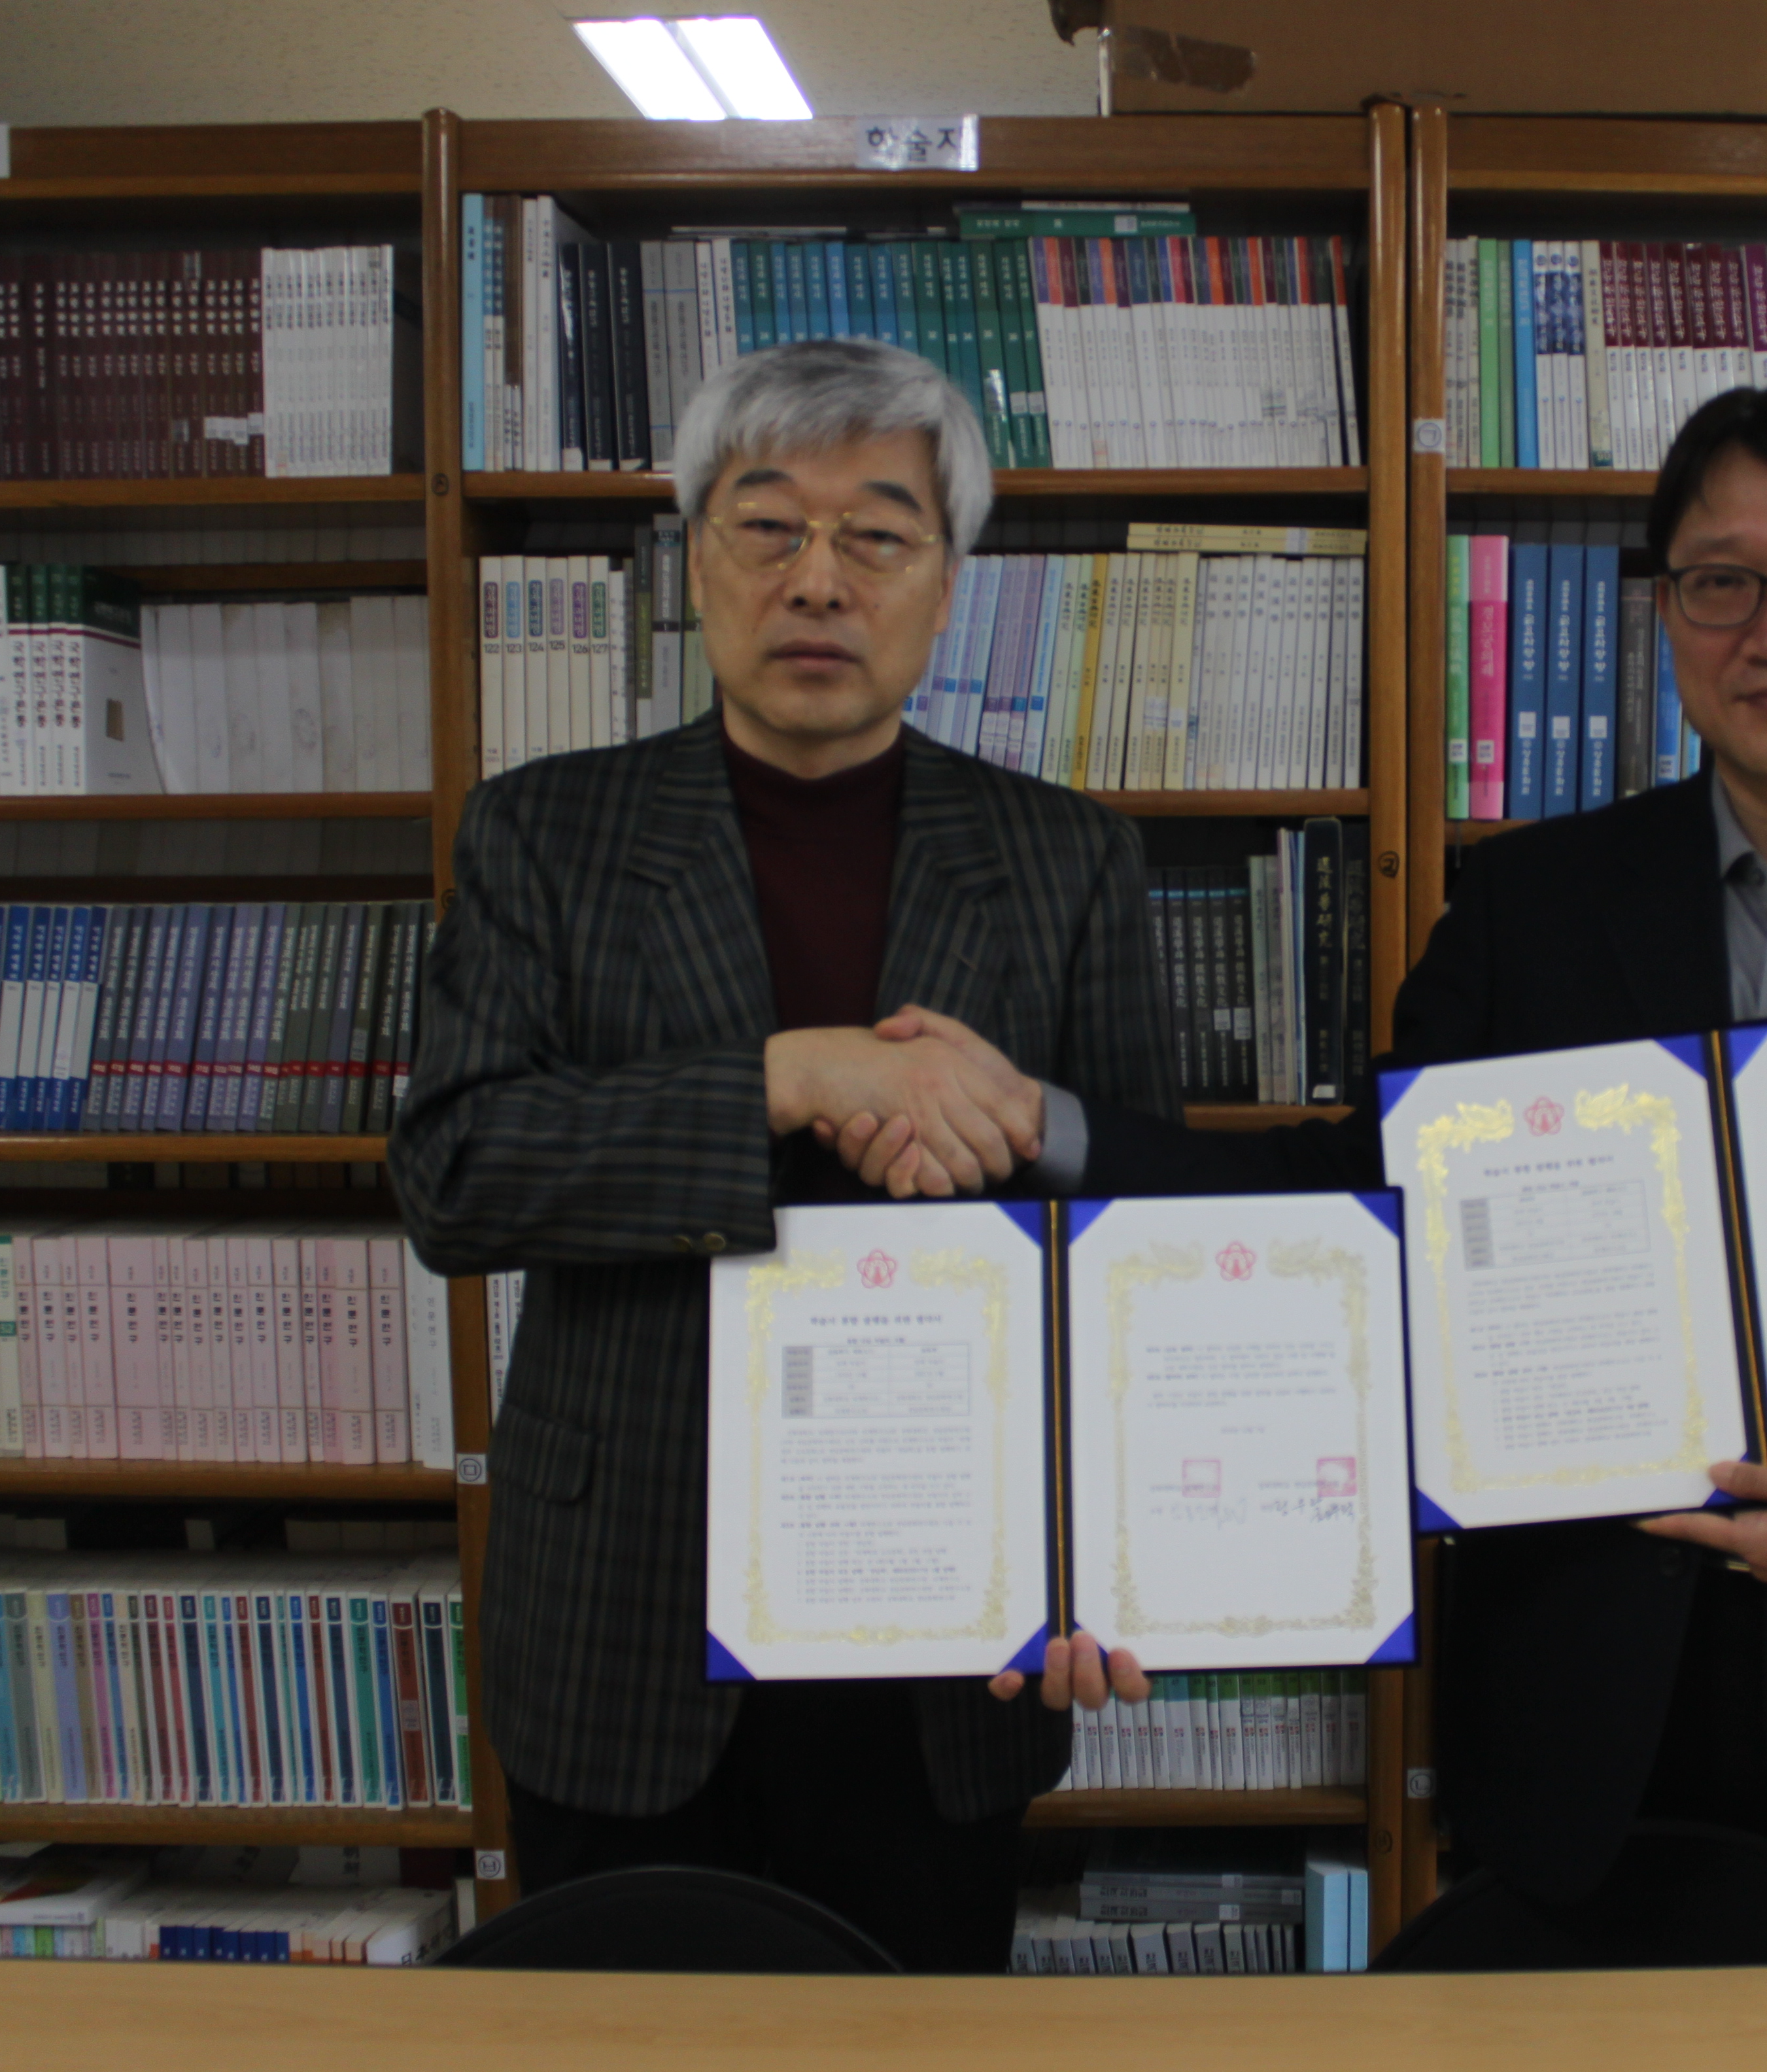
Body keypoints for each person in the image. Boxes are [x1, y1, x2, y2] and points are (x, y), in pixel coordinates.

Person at [848, 374, 1767, 1954]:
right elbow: (1359, 1217)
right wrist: (1048, 1124)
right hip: (1581, 1710)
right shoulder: (1535, 907)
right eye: (1722, 583)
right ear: (1668, 616)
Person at [389, 338, 1177, 1971]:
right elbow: (456, 1170)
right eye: (768, 528)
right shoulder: (544, 833)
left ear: (946, 587)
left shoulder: (1067, 859)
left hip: (949, 1622)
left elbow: (1135, 1229)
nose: (819, 579)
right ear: (696, 563)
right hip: (629, 1611)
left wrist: (1111, 1555)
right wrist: (783, 1077)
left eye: (877, 535)